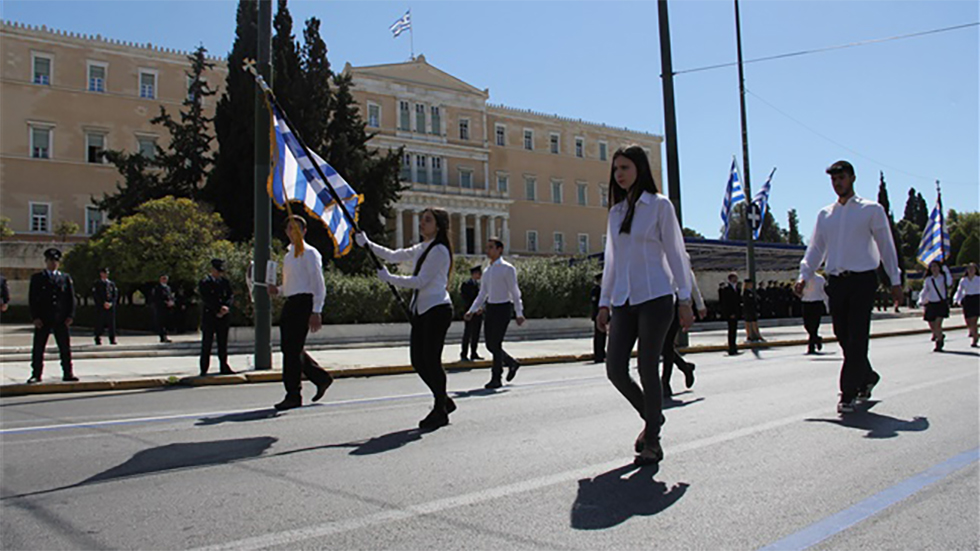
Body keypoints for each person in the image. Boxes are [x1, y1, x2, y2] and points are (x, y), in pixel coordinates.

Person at [595, 145, 694, 466]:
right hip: (623, 300)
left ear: (639, 168)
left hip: (656, 297)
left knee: (647, 366)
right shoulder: (615, 213)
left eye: (624, 167)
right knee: (614, 369)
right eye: (616, 169)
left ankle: (652, 440)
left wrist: (685, 299)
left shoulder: (659, 206)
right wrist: (604, 303)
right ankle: (653, 418)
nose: (619, 174)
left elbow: (677, 254)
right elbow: (611, 261)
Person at [794, 160, 902, 414]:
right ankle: (867, 377)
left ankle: (848, 392)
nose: (837, 182)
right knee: (844, 336)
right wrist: (804, 275)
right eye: (834, 179)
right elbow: (816, 248)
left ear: (852, 178)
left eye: (841, 177)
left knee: (857, 337)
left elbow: (886, 246)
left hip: (863, 281)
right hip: (837, 282)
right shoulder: (825, 214)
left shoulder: (871, 210)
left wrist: (895, 280)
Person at [357, 208, 456, 430]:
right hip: (422, 311)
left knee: (431, 360)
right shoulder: (423, 247)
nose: (422, 223)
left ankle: (440, 409)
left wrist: (390, 278)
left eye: (427, 220)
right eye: (422, 220)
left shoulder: (439, 250)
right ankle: (443, 398)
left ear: (438, 226)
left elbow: (420, 281)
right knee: (418, 361)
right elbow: (394, 255)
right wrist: (367, 244)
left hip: (437, 310)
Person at [268, 215, 333, 411]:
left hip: (305, 302)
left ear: (304, 231)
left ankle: (293, 394)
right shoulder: (289, 256)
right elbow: (291, 284)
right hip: (292, 302)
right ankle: (320, 377)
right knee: (290, 348)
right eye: (289, 228)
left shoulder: (310, 253)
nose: (292, 232)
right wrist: (278, 290)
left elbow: (317, 284)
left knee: (292, 350)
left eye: (297, 228)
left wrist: (316, 310)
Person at [464, 237, 526, 389]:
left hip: (504, 308)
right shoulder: (487, 271)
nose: (488, 250)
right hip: (490, 308)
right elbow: (482, 293)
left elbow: (514, 291)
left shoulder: (507, 268)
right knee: (490, 345)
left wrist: (519, 312)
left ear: (499, 250)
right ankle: (511, 362)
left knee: (496, 343)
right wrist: (471, 310)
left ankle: (496, 377)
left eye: (491, 247)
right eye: (488, 247)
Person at [28, 248, 77, 383]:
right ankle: (36, 374)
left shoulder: (65, 278)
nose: (53, 263)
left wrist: (70, 316)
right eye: (50, 261)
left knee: (65, 348)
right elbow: (32, 299)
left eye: (55, 261)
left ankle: (68, 373)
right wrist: (35, 317)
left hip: (60, 318)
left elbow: (71, 298)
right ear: (46, 262)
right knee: (38, 348)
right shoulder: (38, 278)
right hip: (43, 318)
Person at [661, 265, 705, 398]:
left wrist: (700, 305)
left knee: (667, 344)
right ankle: (685, 367)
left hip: (675, 304)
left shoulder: (679, 257)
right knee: (662, 346)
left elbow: (692, 283)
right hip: (655, 303)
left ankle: (665, 382)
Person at [199, 258, 235, 375]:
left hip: (223, 316)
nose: (220, 274)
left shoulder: (224, 282)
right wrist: (218, 308)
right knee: (207, 343)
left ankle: (224, 366)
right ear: (212, 270)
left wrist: (226, 307)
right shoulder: (205, 282)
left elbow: (230, 295)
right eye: (218, 271)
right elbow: (207, 299)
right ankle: (204, 368)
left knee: (222, 343)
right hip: (210, 315)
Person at [917, 260, 952, 352]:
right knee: (931, 324)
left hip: (940, 303)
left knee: (938, 324)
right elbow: (925, 291)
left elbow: (949, 283)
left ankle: (939, 343)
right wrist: (921, 300)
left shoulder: (943, 278)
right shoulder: (929, 279)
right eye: (932, 267)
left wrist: (946, 270)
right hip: (931, 303)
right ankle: (939, 335)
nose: (934, 268)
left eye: (936, 266)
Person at [459, 265, 484, 362]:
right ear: (474, 274)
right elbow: (466, 299)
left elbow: (482, 298)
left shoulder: (479, 285)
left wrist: (481, 308)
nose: (480, 275)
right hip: (469, 312)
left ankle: (474, 353)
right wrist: (473, 309)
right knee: (467, 333)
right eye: (478, 273)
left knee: (476, 334)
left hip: (478, 313)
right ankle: (464, 354)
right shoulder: (466, 284)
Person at [800, 273, 829, 354]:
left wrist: (827, 305)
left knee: (815, 325)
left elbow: (824, 292)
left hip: (817, 302)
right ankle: (817, 339)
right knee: (807, 325)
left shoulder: (820, 279)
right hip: (806, 302)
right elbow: (798, 288)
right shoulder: (803, 277)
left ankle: (811, 347)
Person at [954, 262, 979, 348]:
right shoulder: (963, 280)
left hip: (977, 299)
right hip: (967, 299)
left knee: (974, 320)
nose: (971, 270)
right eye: (969, 269)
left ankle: (975, 338)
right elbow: (959, 291)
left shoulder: (978, 279)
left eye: (973, 269)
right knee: (968, 320)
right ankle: (973, 331)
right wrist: (956, 300)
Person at [92, 267, 118, 345]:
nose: (106, 274)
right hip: (101, 306)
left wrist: (112, 303)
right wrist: (103, 303)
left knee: (111, 323)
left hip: (110, 306)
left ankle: (112, 338)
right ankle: (97, 337)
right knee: (100, 322)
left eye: (107, 273)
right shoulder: (97, 284)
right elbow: (96, 295)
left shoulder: (111, 284)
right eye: (104, 273)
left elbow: (114, 295)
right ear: (101, 274)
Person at [719, 272, 741, 356]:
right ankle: (731, 348)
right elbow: (726, 303)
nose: (736, 279)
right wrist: (730, 313)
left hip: (736, 313)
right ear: (731, 279)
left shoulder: (736, 288)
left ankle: (734, 347)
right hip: (731, 313)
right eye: (735, 278)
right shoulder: (726, 289)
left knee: (734, 331)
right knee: (731, 331)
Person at [152, 275, 175, 343]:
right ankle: (162, 336)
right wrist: (165, 303)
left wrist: (172, 301)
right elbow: (157, 299)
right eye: (163, 279)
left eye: (166, 279)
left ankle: (166, 335)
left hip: (167, 308)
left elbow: (170, 296)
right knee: (161, 323)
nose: (165, 280)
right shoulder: (157, 288)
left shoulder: (168, 288)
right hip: (161, 309)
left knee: (167, 322)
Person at [590, 273, 606, 364]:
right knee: (599, 336)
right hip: (598, 315)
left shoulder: (603, 289)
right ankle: (598, 355)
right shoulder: (596, 290)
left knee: (603, 336)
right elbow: (595, 304)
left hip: (603, 315)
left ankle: (602, 354)